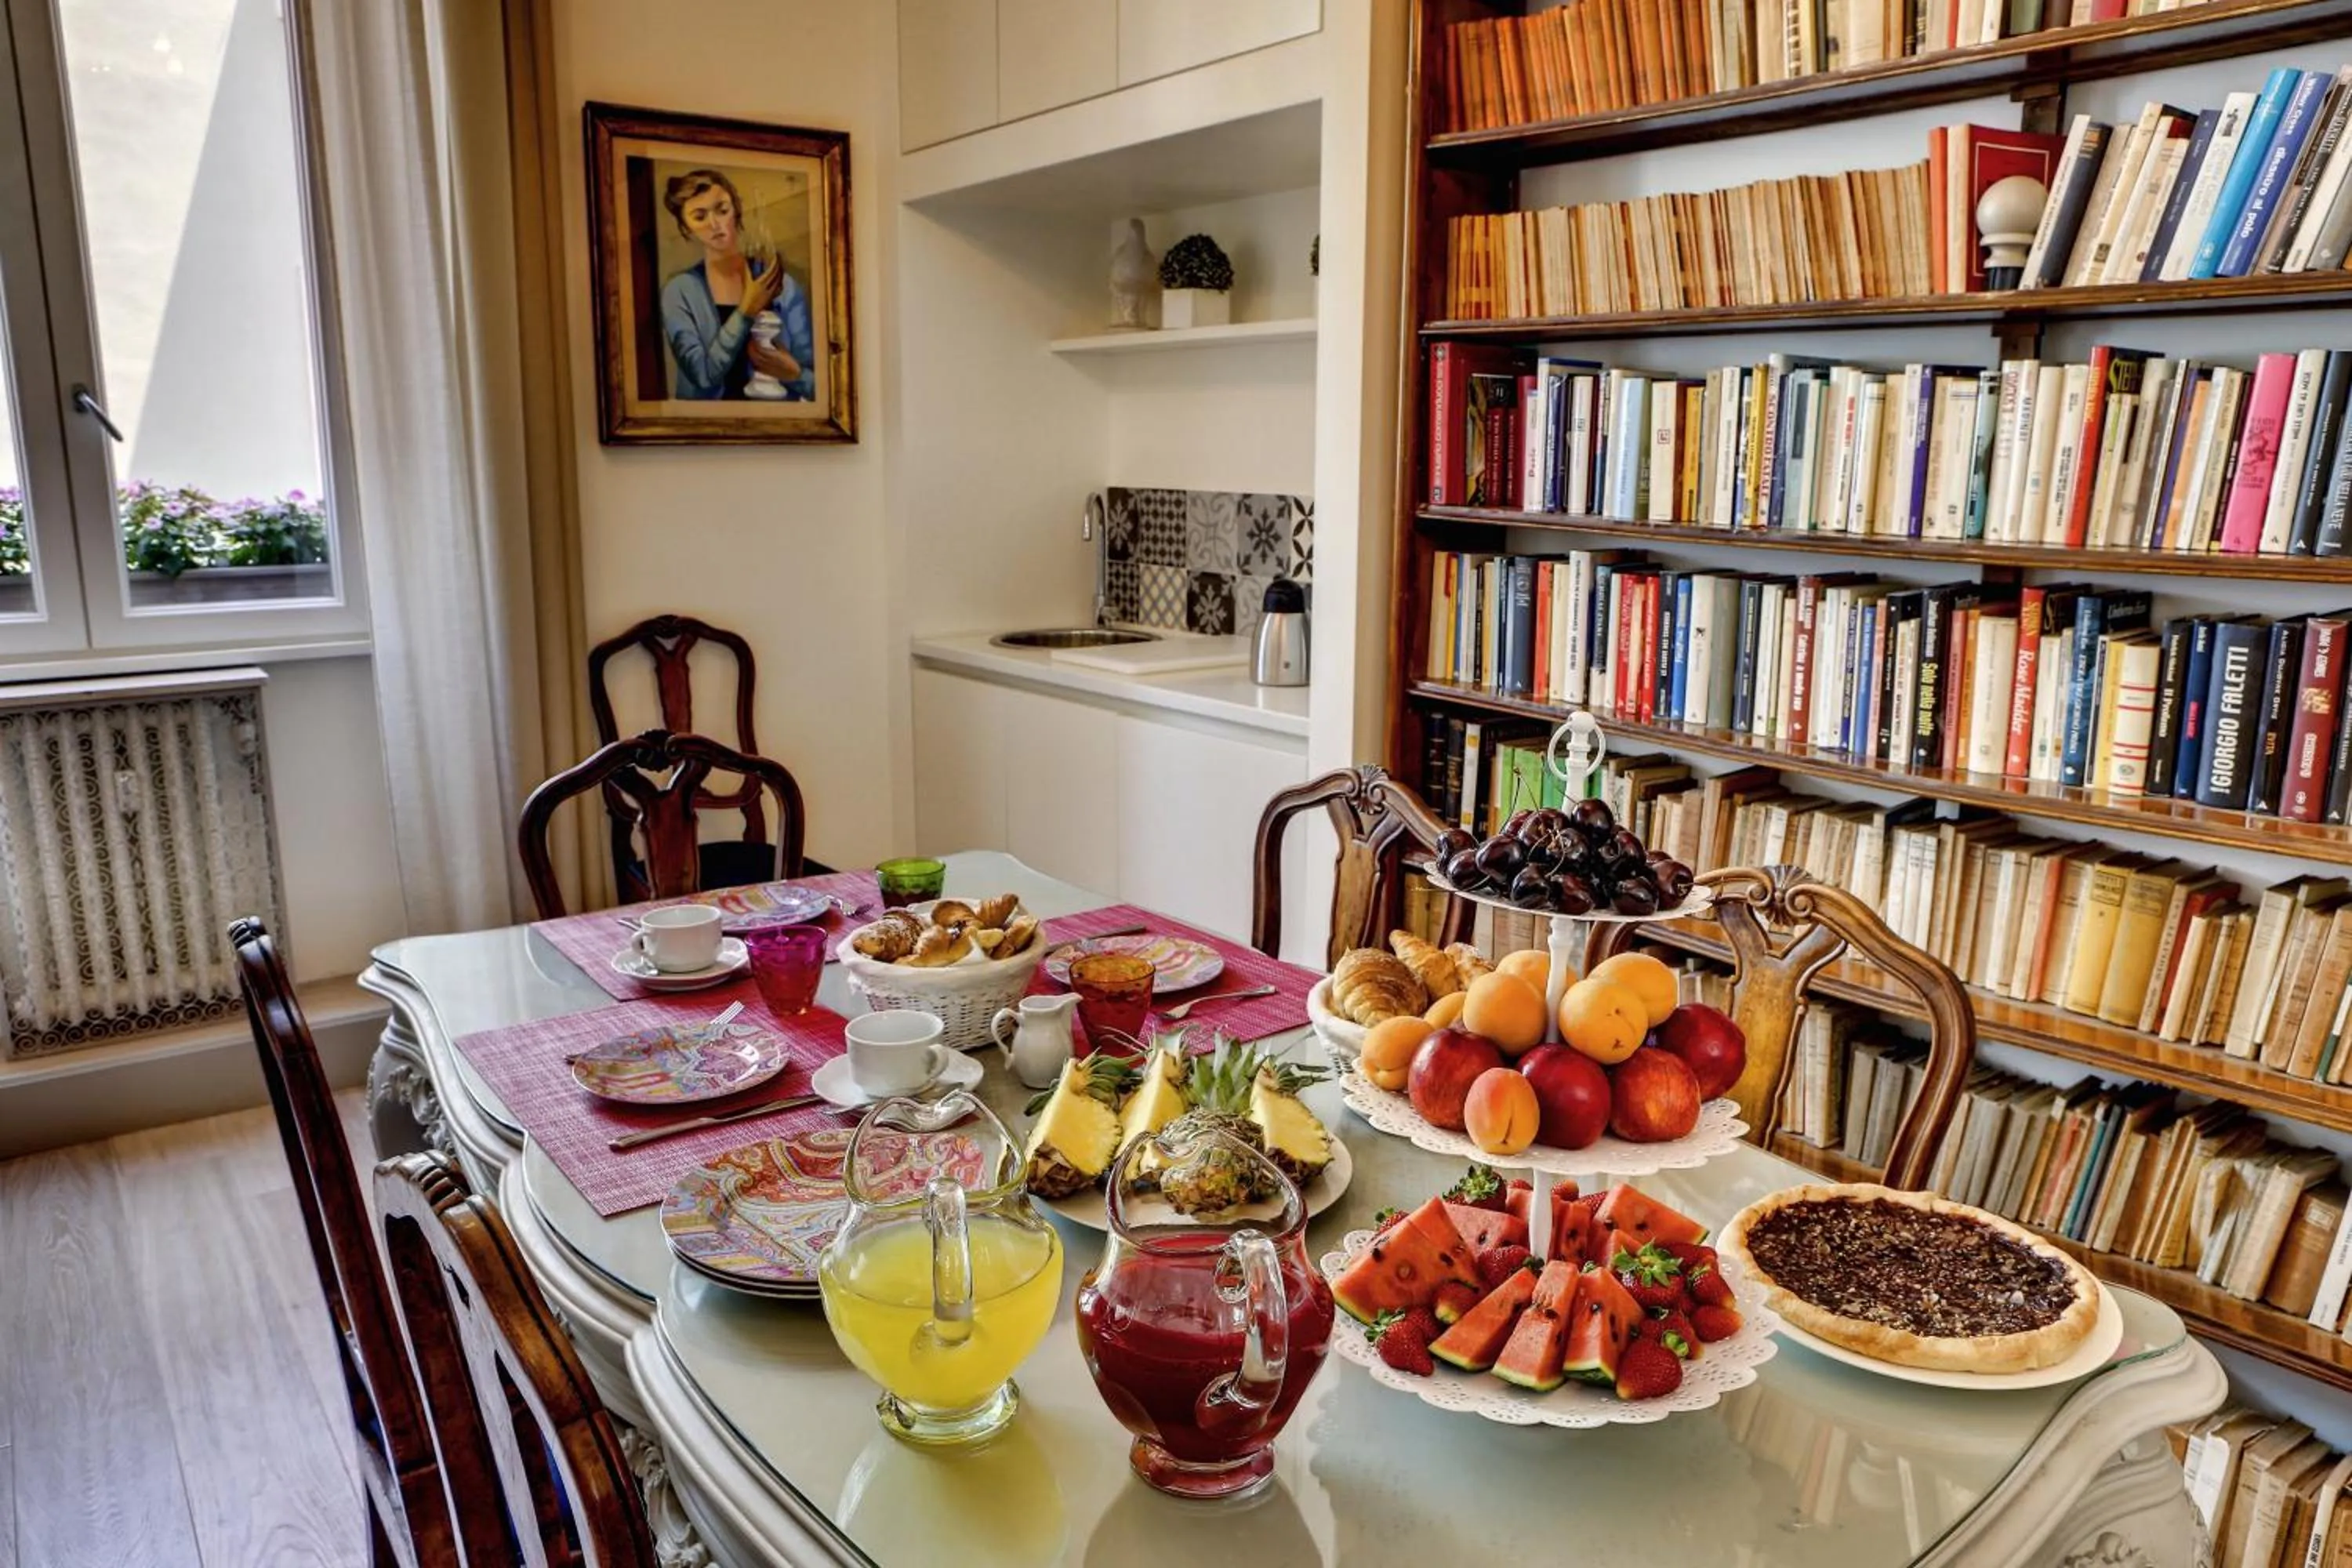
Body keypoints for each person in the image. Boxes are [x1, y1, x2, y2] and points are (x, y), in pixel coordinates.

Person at [657, 168, 815, 401]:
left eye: (722, 210)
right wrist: (746, 311)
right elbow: (702, 376)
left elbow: (821, 387)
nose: (714, 224)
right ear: (685, 229)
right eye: (699, 217)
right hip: (708, 430)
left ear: (737, 212)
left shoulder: (782, 286)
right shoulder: (679, 292)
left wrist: (795, 374)